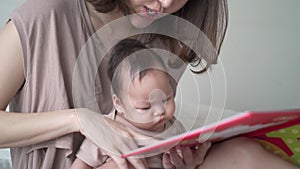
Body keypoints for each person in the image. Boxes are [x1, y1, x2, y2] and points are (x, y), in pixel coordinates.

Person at [0, 0, 297, 168]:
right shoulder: (41, 19)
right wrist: (77, 120)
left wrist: (183, 156)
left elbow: (156, 127)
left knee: (245, 154)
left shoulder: (166, 29)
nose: (166, 2)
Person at [71, 38, 210, 169]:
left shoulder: (174, 127)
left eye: (165, 99)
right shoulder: (107, 130)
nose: (159, 111)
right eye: (145, 107)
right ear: (119, 104)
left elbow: (185, 156)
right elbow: (81, 164)